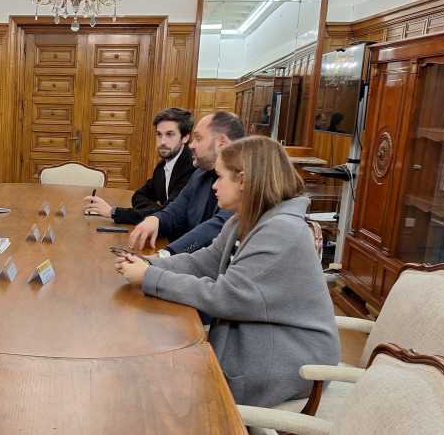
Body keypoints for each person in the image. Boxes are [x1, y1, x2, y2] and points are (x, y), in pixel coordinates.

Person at [115, 136, 341, 408]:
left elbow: (226, 297)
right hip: (257, 340)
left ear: (243, 180)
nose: (214, 185)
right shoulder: (245, 219)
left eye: (220, 177)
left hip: (289, 361)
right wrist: (146, 263)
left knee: (168, 390)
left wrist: (150, 278)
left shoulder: (281, 231)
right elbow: (202, 263)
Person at [128, 111, 247, 255]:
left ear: (222, 143)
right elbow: (176, 210)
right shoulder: (200, 173)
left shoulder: (244, 181)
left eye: (198, 138)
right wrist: (155, 219)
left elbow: (219, 228)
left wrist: (166, 254)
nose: (191, 145)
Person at [84, 107, 196, 224]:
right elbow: (138, 196)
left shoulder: (191, 168)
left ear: (185, 138)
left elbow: (168, 214)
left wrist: (113, 212)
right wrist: (157, 210)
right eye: (159, 134)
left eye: (170, 134)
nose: (162, 141)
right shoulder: (162, 165)